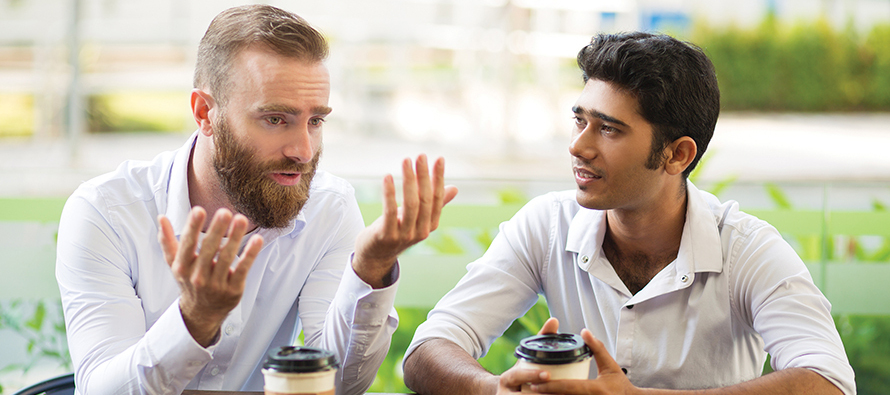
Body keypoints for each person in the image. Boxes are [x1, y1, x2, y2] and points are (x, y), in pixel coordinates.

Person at [402, 32, 855, 395]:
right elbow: (427, 351)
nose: (578, 146)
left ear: (676, 155)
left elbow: (829, 381)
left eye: (610, 129)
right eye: (580, 120)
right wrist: (494, 389)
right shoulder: (546, 225)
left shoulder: (746, 249)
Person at [55, 5, 457, 395]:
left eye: (315, 120)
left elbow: (339, 384)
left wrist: (371, 267)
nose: (303, 150)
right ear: (204, 113)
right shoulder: (104, 213)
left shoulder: (328, 209)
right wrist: (194, 320)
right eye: (275, 119)